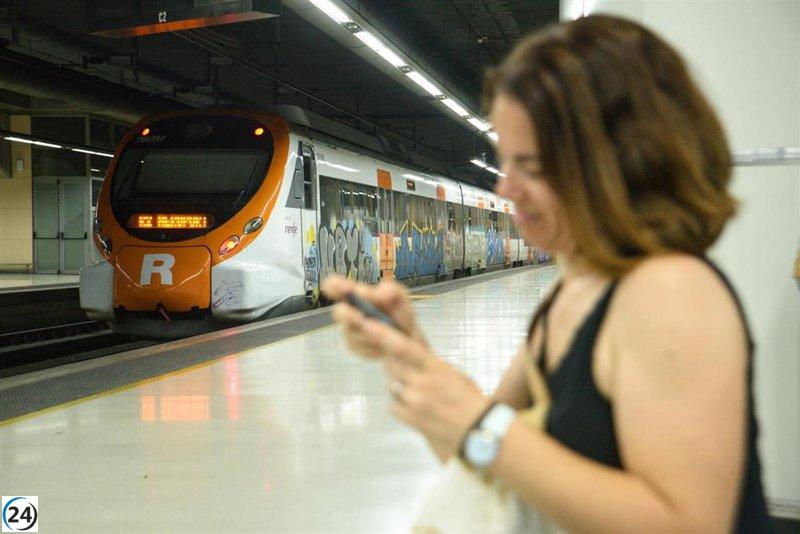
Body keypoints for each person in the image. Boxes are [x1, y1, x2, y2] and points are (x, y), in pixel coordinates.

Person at [322, 14, 773, 533]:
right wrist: (407, 354)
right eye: (506, 162)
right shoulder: (574, 290)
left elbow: (690, 523)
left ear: (618, 163)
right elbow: (478, 461)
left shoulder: (671, 292)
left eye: (531, 166)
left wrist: (479, 424)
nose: (506, 189)